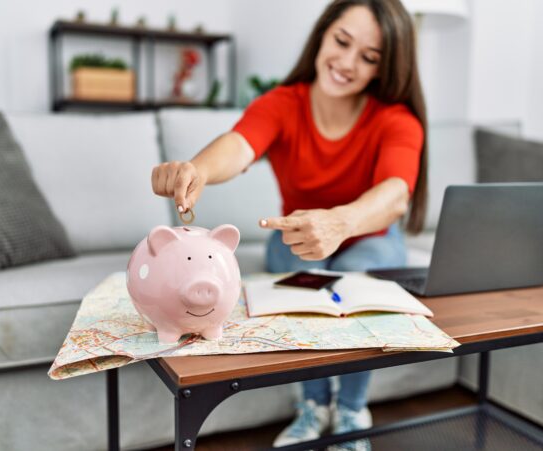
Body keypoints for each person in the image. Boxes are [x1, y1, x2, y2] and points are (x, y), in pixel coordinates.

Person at [151, 0, 427, 449]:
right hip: (294, 240)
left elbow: (396, 194)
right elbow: (239, 146)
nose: (347, 63)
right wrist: (197, 170)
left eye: (369, 57)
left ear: (384, 68)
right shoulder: (283, 104)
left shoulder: (396, 119)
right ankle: (313, 406)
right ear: (322, 35)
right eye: (341, 42)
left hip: (369, 238)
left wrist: (339, 222)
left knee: (361, 279)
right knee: (301, 281)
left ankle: (352, 412)